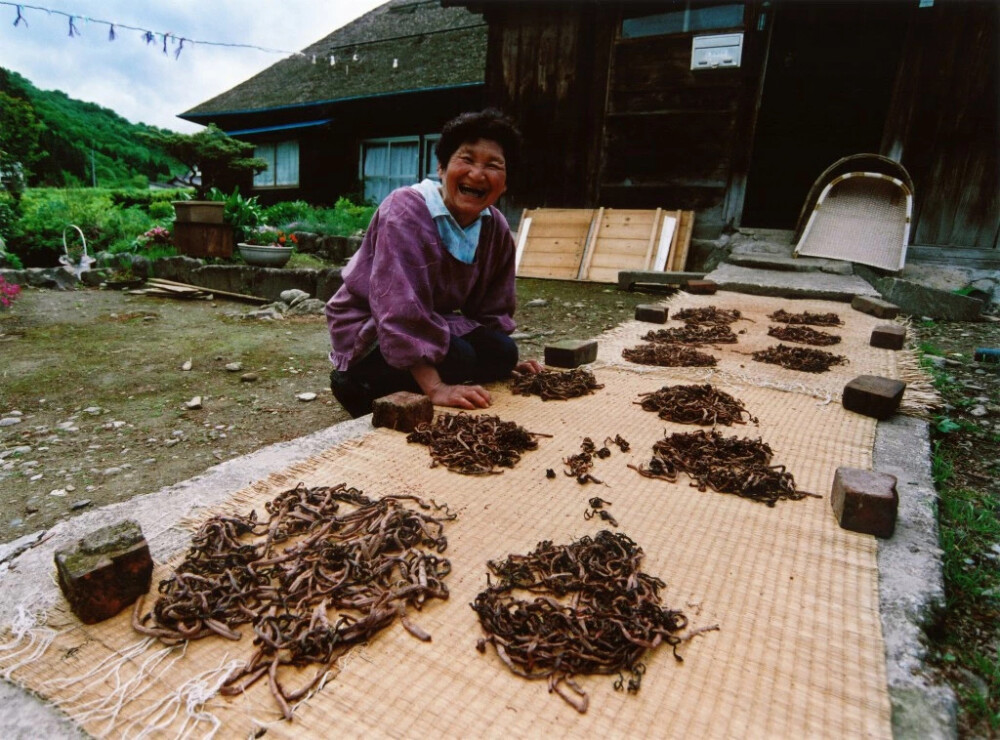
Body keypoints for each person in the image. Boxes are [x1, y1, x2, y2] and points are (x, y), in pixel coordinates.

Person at [325, 109, 542, 418]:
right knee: (460, 358)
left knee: (504, 352)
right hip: (372, 329)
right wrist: (436, 388)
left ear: (504, 183)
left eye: (493, 165)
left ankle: (439, 368)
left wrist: (499, 363)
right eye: (466, 160)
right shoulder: (405, 211)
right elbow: (397, 310)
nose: (478, 175)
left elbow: (493, 309)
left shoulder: (495, 228)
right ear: (441, 167)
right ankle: (356, 385)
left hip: (430, 320)